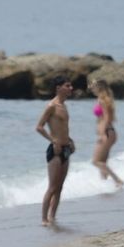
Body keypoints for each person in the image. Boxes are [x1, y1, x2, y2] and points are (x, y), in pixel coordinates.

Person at [35, 76, 75, 226]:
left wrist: (70, 140)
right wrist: (53, 141)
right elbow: (39, 127)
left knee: (60, 186)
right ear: (58, 88)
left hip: (66, 148)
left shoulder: (64, 106)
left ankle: (53, 217)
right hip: (55, 150)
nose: (71, 88)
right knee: (52, 186)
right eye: (67, 85)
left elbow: (63, 129)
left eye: (71, 86)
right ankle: (44, 219)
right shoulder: (51, 106)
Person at [88, 79, 124, 188]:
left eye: (94, 87)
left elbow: (107, 118)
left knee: (95, 161)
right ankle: (105, 186)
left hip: (107, 133)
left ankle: (117, 181)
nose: (92, 89)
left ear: (99, 88)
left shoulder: (103, 100)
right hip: (110, 132)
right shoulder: (105, 99)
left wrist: (102, 134)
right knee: (102, 162)